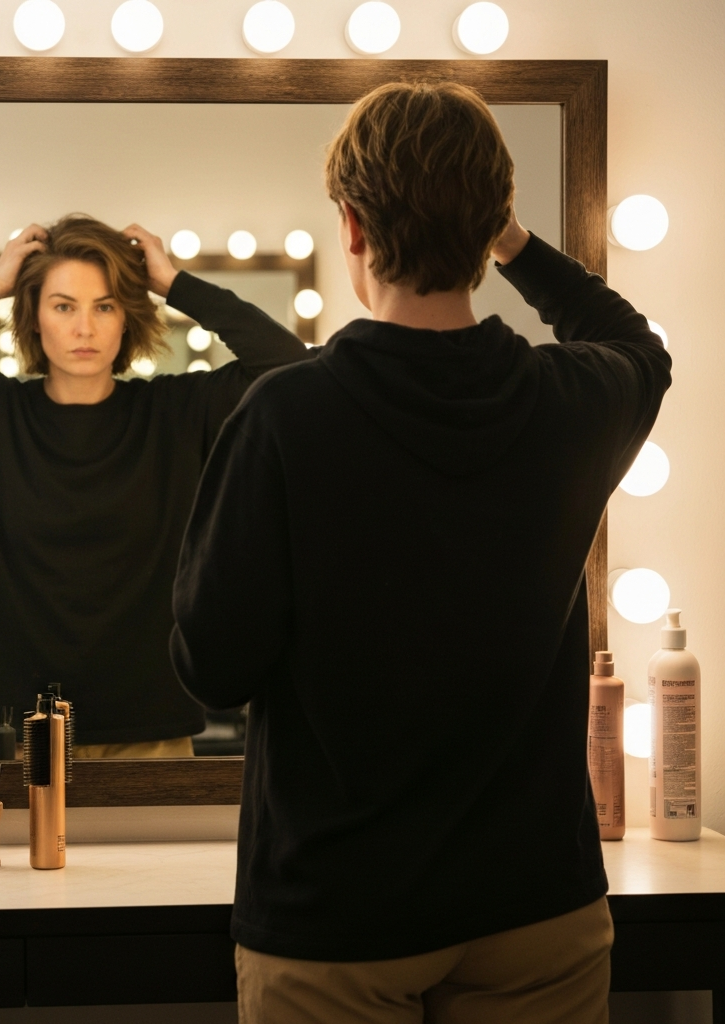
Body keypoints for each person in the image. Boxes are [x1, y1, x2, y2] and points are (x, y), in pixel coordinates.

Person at [170, 82, 671, 1023]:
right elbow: (636, 342)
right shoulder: (572, 401)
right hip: (538, 904)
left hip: (337, 913)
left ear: (353, 227)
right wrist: (509, 237)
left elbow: (214, 668)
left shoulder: (284, 416)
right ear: (489, 228)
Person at [0, 214, 310, 758]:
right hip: (9, 733)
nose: (84, 328)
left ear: (127, 318)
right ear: (34, 317)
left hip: (149, 732)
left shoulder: (176, 414)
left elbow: (287, 363)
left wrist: (175, 284)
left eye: (105, 306)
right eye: (64, 306)